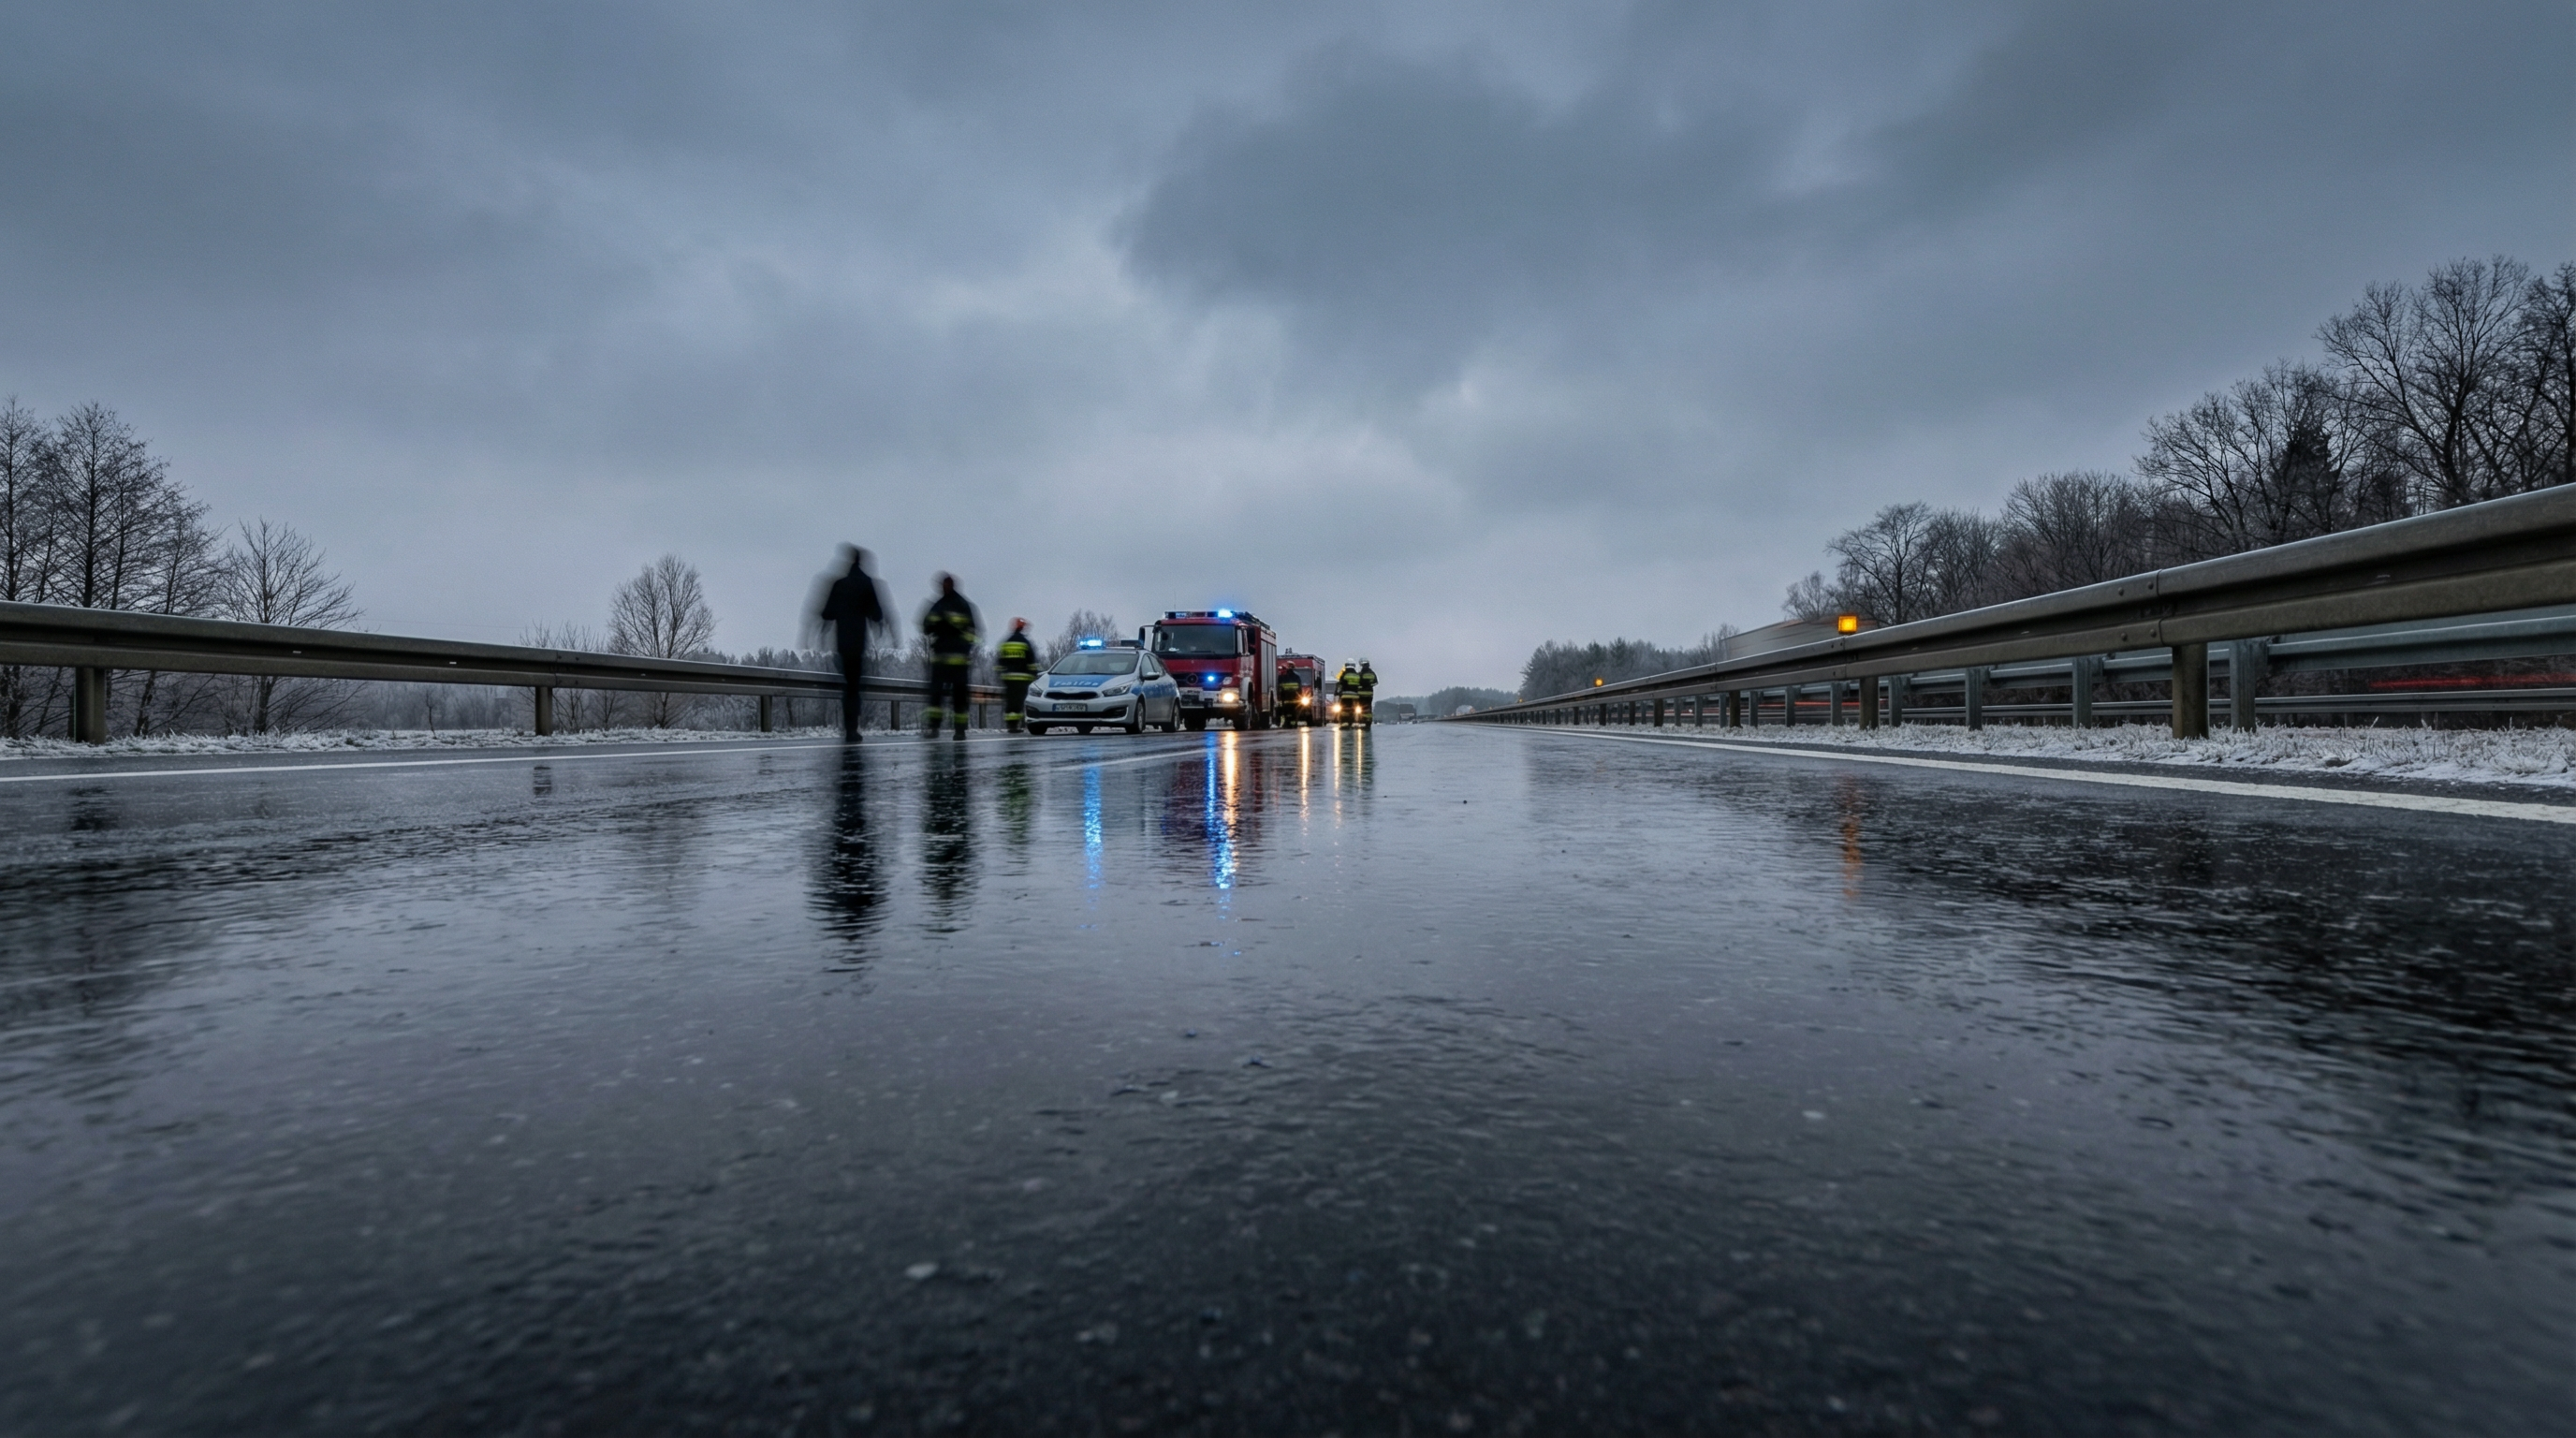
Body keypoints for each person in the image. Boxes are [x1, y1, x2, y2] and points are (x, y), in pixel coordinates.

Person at [817, 546, 888, 741]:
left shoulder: (839, 584)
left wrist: (822, 633)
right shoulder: (866, 583)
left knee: (848, 685)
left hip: (842, 644)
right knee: (854, 687)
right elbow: (877, 614)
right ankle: (852, 728)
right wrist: (880, 627)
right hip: (858, 644)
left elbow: (826, 613)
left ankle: (848, 727)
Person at [919, 573, 981, 740]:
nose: (943, 587)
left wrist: (959, 639)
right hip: (942, 659)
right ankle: (934, 728)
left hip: (957, 660)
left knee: (957, 697)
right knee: (937, 697)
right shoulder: (940, 605)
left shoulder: (960, 605)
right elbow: (925, 627)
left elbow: (973, 633)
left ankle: (959, 730)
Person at [996, 618, 1038, 733]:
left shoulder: (1006, 642)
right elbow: (1032, 662)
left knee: (1010, 702)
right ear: (1023, 628)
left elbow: (999, 662)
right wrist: (1033, 676)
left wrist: (1001, 675)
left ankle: (1011, 725)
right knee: (1018, 702)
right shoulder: (1025, 643)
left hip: (1008, 679)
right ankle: (1015, 726)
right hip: (1021, 679)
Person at [1274, 662, 1303, 726]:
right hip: (1295, 701)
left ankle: (1286, 723)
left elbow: (1279, 688)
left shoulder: (1281, 677)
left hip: (1285, 700)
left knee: (1284, 713)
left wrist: (1279, 698)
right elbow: (1300, 689)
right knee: (1294, 713)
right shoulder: (1297, 677)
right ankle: (1293, 723)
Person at [1356, 659, 1379, 726]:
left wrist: (1361, 686)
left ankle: (1362, 718)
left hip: (1361, 693)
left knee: (1361, 707)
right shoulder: (1372, 673)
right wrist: (1369, 685)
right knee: (1368, 707)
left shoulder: (1360, 674)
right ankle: (1368, 720)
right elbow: (1375, 682)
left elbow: (1358, 682)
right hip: (1369, 693)